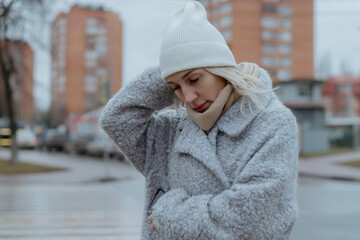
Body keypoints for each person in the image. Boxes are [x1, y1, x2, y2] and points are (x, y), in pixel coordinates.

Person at [100, 1, 298, 239]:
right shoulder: (172, 131)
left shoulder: (273, 123)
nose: (188, 97)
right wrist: (172, 69)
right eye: (176, 88)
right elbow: (117, 117)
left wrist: (170, 215)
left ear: (220, 68)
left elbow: (250, 220)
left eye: (194, 79)